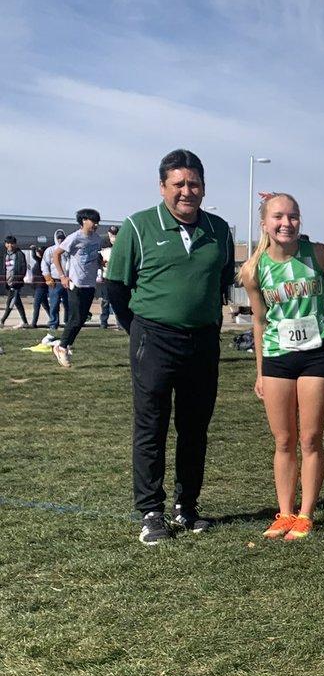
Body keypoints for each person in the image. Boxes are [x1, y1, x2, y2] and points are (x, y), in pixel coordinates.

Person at [106, 149, 235, 545]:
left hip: (203, 341)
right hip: (153, 338)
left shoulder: (219, 230)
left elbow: (221, 283)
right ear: (163, 187)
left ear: (203, 187)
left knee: (195, 427)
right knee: (152, 426)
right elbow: (116, 287)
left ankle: (187, 506)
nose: (186, 191)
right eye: (177, 184)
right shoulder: (138, 226)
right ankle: (151, 511)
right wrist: (140, 330)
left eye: (193, 183)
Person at [240, 193, 324, 541]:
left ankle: (306, 513)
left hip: (316, 355)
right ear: (264, 223)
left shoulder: (319, 255)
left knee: (310, 438)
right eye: (278, 217)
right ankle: (285, 512)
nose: (286, 223)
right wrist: (261, 370)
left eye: (293, 216)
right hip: (279, 358)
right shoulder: (254, 269)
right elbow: (260, 322)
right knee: (283, 440)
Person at [51, 208, 103, 367]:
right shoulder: (74, 238)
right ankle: (61, 347)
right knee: (75, 318)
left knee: (82, 318)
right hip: (76, 283)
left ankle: (65, 343)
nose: (96, 225)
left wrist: (101, 262)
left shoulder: (97, 239)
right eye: (93, 221)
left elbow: (96, 256)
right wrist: (62, 276)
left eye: (97, 222)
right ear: (83, 221)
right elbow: (56, 255)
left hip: (90, 283)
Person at [2, 235, 29, 328]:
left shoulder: (19, 254)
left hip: (16, 283)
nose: (10, 245)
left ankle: (2, 320)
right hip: (8, 282)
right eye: (8, 243)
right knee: (17, 302)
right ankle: (25, 322)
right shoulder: (5, 254)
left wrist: (18, 279)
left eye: (12, 243)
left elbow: (23, 268)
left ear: (15, 244)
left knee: (11, 301)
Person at [44, 228, 69, 330]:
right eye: (58, 238)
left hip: (68, 280)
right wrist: (48, 277)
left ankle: (68, 322)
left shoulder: (68, 250)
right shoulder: (50, 250)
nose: (60, 240)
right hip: (55, 281)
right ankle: (53, 323)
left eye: (62, 238)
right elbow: (44, 265)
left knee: (69, 304)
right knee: (54, 304)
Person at [97, 224, 119, 328]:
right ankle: (103, 321)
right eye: (112, 234)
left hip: (117, 276)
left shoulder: (121, 245)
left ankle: (119, 322)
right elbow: (97, 260)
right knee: (105, 301)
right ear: (109, 233)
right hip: (105, 276)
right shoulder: (103, 245)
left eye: (115, 234)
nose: (113, 236)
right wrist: (102, 264)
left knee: (117, 300)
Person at [28, 244, 50, 328]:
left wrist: (33, 249)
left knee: (36, 304)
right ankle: (53, 319)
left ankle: (34, 323)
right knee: (45, 305)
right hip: (38, 285)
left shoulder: (42, 261)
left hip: (41, 286)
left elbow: (34, 256)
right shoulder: (41, 261)